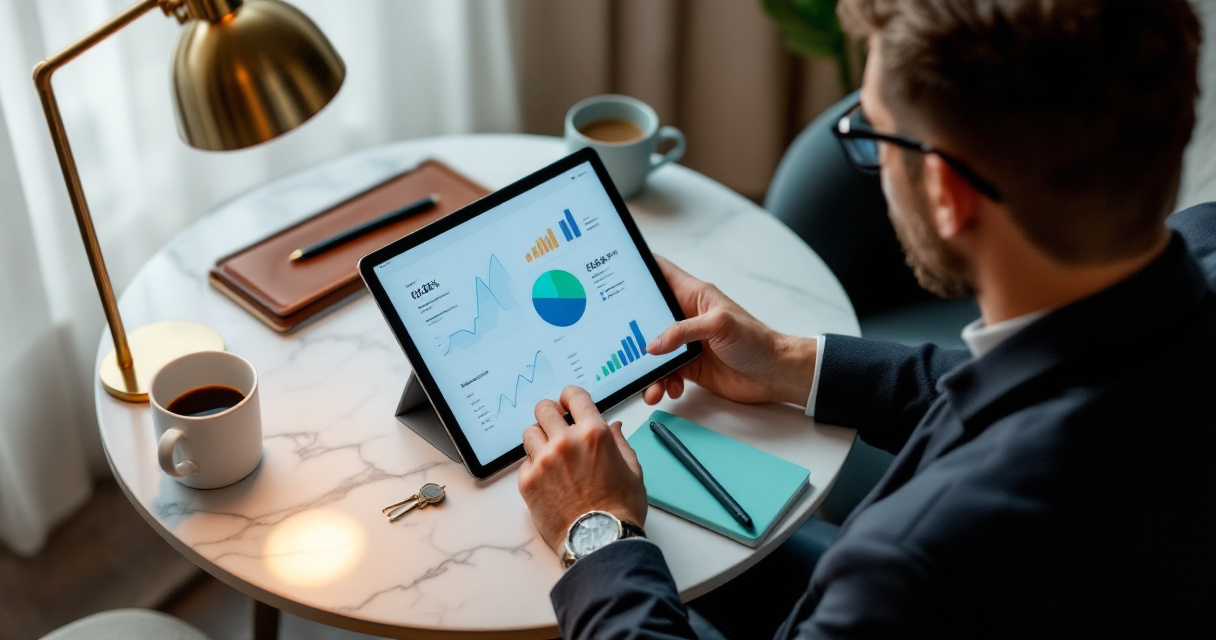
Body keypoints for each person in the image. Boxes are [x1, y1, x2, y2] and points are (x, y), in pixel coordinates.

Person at [517, 0, 1216, 637]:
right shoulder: (1201, 250)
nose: (872, 159)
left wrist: (597, 528)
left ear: (946, 190)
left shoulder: (913, 565)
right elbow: (1051, 372)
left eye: (872, 135)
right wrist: (790, 362)